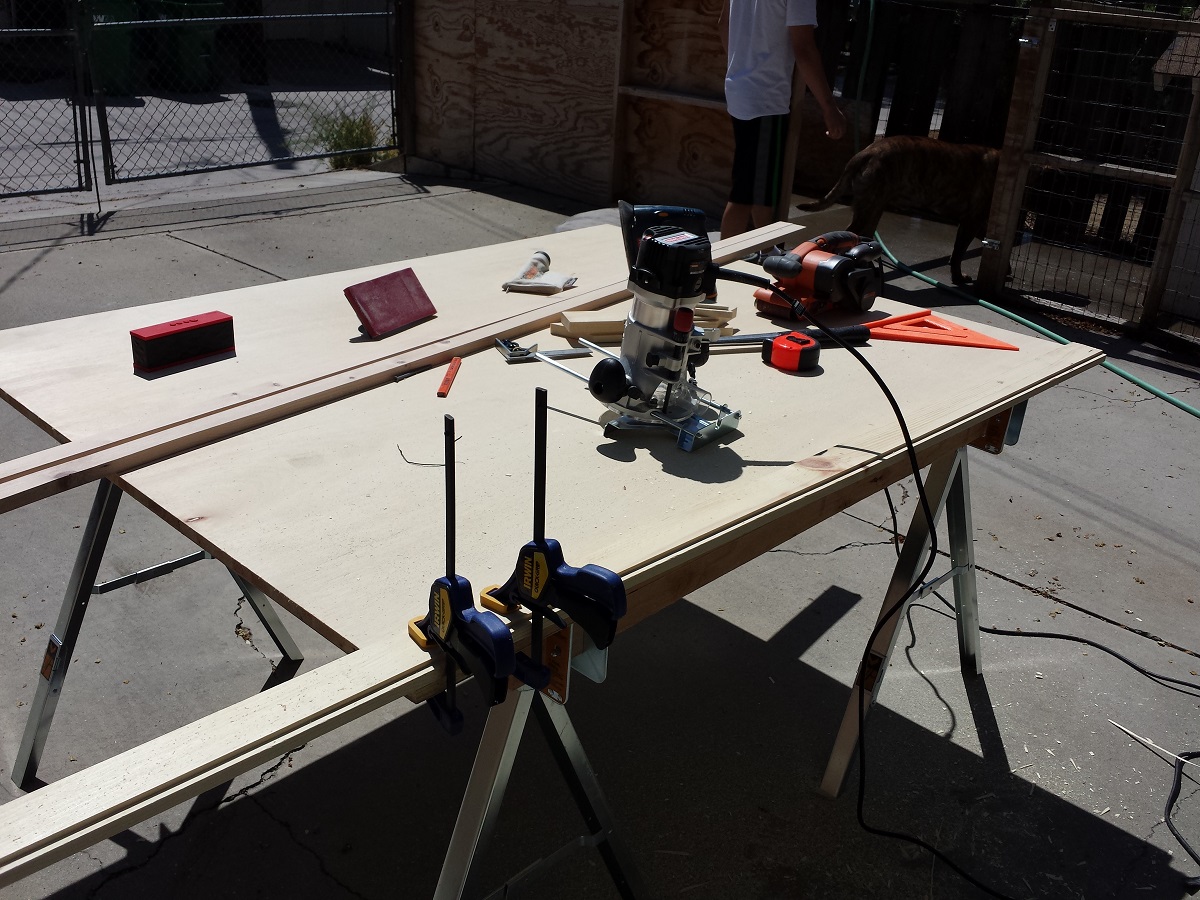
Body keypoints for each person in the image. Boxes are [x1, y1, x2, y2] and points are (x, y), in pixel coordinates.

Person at [719, 0, 847, 238]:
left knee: (761, 188)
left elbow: (723, 24)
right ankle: (722, 258)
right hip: (766, 99)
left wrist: (741, 68)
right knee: (744, 194)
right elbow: (804, 49)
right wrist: (829, 107)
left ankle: (767, 251)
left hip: (741, 91)